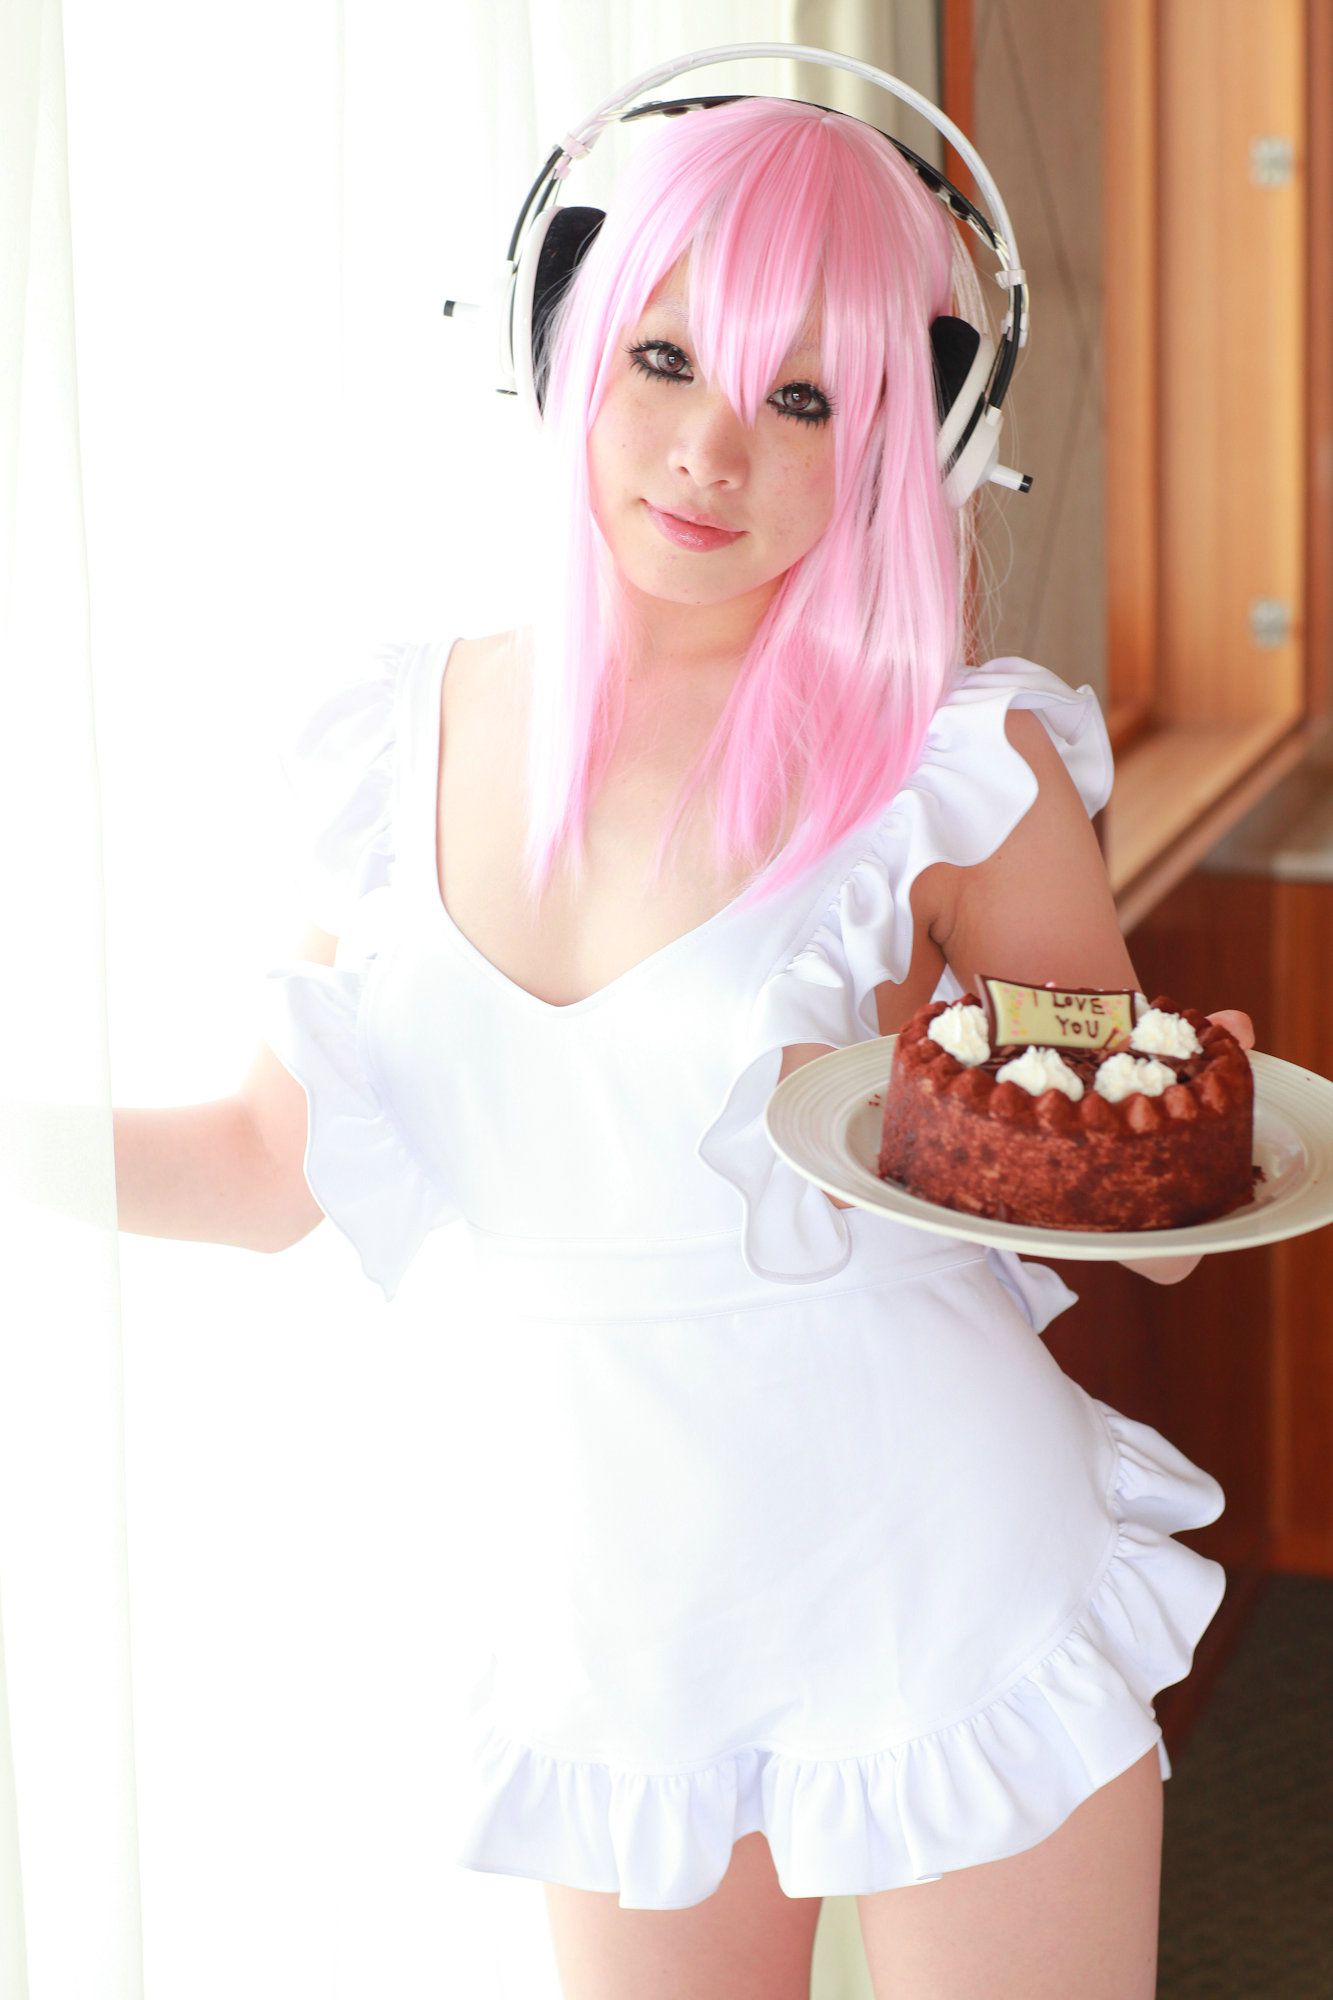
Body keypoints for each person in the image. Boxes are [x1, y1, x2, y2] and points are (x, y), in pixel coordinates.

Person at [115, 91, 1255, 2000]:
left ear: (901, 442)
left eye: (804, 400)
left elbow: (1123, 1174)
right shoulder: (397, 740)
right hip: (608, 1614)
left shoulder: (959, 766)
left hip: (933, 1566)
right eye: (664, 359)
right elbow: (257, 1168)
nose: (713, 450)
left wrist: (1147, 1115)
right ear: (562, 344)